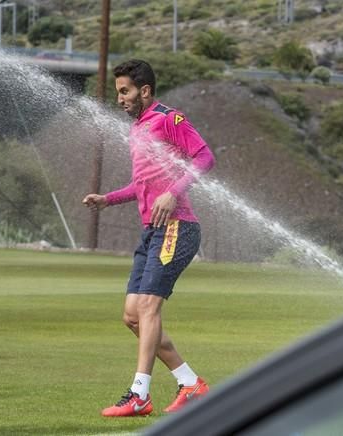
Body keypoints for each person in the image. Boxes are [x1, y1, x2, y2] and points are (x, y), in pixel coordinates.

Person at [83, 59, 215, 417]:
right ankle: (191, 384)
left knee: (148, 308)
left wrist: (173, 192)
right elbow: (142, 185)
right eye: (117, 93)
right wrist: (108, 199)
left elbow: (204, 158)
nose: (120, 98)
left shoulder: (169, 119)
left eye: (124, 91)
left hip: (178, 226)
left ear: (144, 91)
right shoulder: (138, 129)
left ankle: (140, 394)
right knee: (132, 317)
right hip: (152, 231)